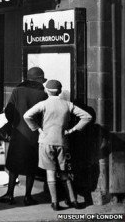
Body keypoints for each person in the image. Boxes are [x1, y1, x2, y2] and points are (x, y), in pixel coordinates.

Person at [23, 79, 92, 211]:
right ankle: (74, 200)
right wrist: (71, 130)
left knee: (50, 172)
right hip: (62, 141)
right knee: (64, 172)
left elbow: (27, 116)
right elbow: (87, 117)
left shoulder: (43, 104)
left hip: (45, 141)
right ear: (60, 91)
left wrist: (37, 128)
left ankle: (55, 203)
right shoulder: (67, 104)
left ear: (47, 91)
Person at [0, 66, 48, 206]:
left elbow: (9, 111)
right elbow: (44, 116)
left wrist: (14, 124)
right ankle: (28, 197)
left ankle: (9, 194)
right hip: (34, 134)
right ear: (38, 79)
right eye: (42, 80)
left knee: (13, 165)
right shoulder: (42, 95)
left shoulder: (17, 91)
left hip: (18, 133)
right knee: (31, 166)